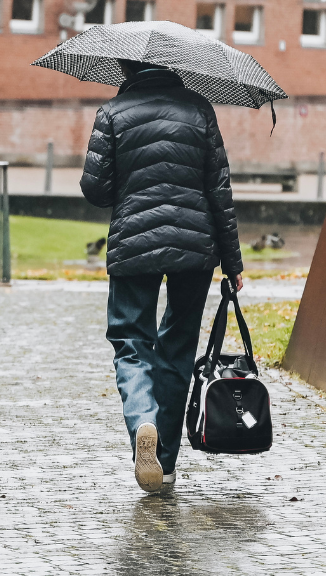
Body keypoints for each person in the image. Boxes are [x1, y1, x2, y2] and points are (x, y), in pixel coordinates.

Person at [81, 58, 245, 494]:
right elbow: (219, 192)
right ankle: (165, 465)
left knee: (131, 341)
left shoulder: (113, 113)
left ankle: (143, 423)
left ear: (125, 64)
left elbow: (95, 190)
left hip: (134, 245)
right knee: (176, 350)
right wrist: (233, 264)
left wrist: (130, 179)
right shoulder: (200, 110)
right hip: (196, 249)